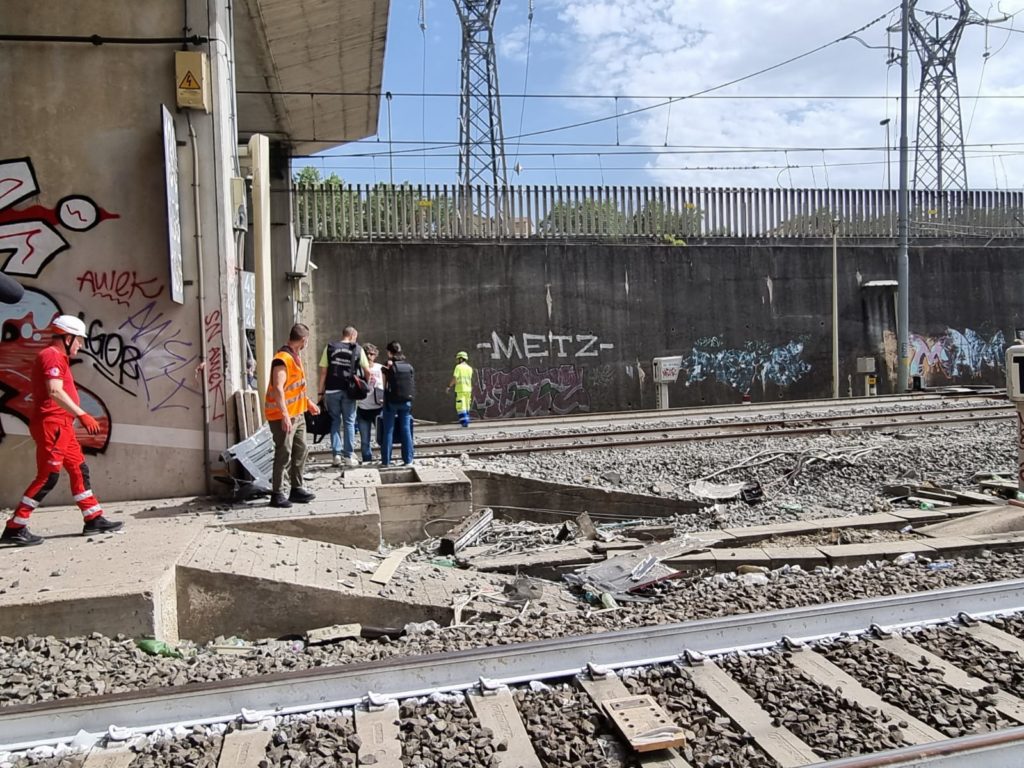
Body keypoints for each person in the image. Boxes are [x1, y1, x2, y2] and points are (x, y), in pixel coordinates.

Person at [2, 315, 123, 547]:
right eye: (79, 340)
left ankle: (93, 518)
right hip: (52, 425)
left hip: (62, 426)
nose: (81, 345)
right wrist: (82, 414)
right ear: (67, 338)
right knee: (48, 476)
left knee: (79, 469)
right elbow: (55, 392)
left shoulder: (58, 357)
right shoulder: (51, 356)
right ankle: (15, 527)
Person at [265, 323, 319, 508]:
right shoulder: (282, 359)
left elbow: (296, 387)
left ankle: (297, 488)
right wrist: (285, 415)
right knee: (284, 452)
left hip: (298, 414)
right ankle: (277, 493)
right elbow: (278, 389)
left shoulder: (296, 357)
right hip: (282, 416)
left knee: (301, 450)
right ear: (304, 340)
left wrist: (308, 402)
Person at [317, 326, 370, 467]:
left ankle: (336, 455)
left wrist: (320, 393)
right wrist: (365, 384)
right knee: (349, 422)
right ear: (353, 335)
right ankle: (348, 456)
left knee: (335, 421)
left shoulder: (329, 347)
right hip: (349, 391)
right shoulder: (358, 349)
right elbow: (367, 371)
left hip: (331, 391)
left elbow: (323, 372)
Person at [380, 340, 416, 467]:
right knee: (406, 429)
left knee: (388, 430)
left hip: (391, 401)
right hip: (406, 401)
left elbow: (384, 385)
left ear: (390, 352)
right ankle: (408, 460)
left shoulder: (387, 366)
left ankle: (386, 461)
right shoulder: (408, 366)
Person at [356, 343, 384, 463]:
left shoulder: (380, 368)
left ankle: (385, 458)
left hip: (379, 408)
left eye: (371, 354)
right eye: (366, 354)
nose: (369, 356)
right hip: (363, 408)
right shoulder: (358, 369)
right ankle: (367, 460)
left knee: (382, 437)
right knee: (365, 440)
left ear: (375, 355)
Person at [446, 351, 474, 427]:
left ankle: (464, 423)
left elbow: (455, 378)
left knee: (461, 407)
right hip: (468, 390)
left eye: (457, 359)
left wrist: (449, 386)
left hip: (461, 390)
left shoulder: (458, 367)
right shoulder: (470, 368)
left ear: (461, 359)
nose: (456, 361)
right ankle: (466, 421)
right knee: (467, 406)